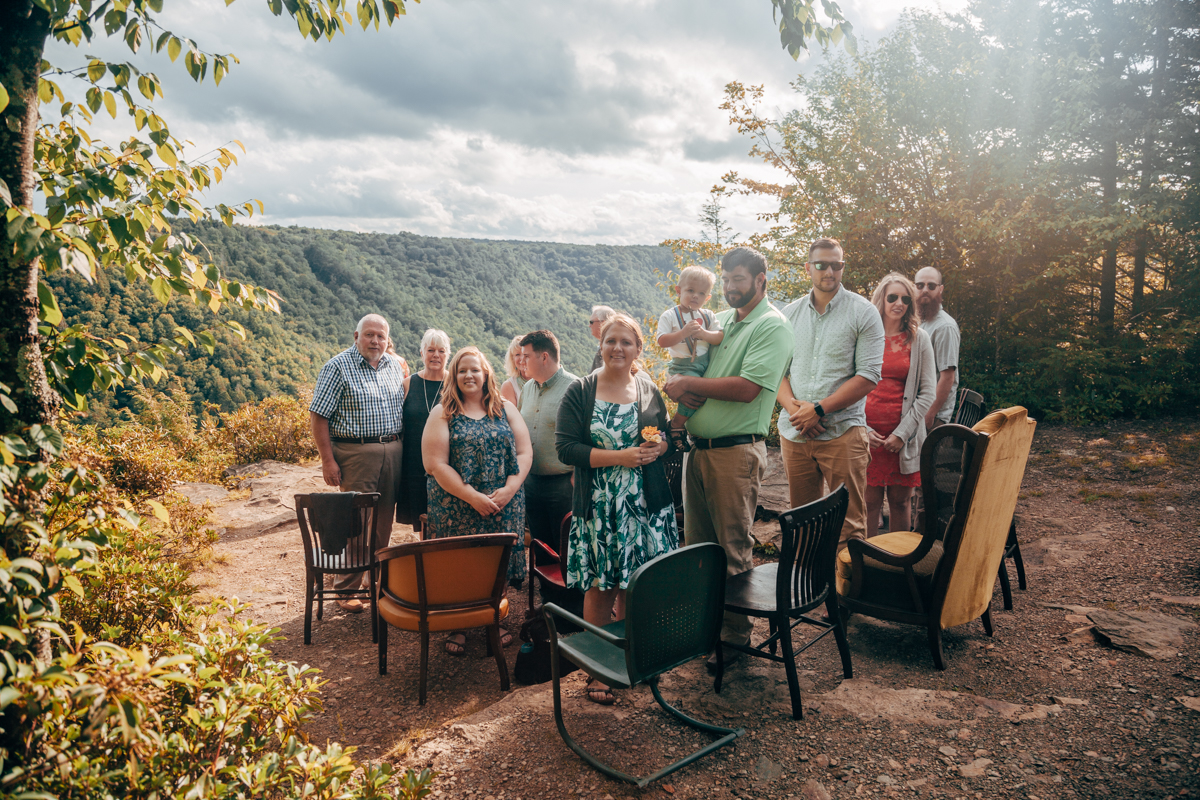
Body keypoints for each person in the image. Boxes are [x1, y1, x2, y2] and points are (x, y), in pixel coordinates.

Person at [663, 247, 792, 672]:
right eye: (728, 278)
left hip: (735, 453)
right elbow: (699, 368)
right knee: (698, 548)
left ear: (761, 279)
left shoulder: (770, 326)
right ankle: (705, 630)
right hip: (700, 452)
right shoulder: (725, 321)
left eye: (740, 278)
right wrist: (683, 388)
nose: (732, 286)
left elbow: (748, 388)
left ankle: (734, 640)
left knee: (733, 549)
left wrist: (685, 383)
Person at [556, 313, 675, 704]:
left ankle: (632, 659)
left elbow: (664, 435)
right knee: (600, 586)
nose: (618, 348)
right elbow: (566, 449)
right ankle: (599, 670)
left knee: (635, 584)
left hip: (646, 505)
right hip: (601, 504)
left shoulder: (647, 388)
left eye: (626, 342)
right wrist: (618, 457)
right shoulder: (580, 391)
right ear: (600, 345)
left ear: (639, 349)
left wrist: (661, 446)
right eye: (611, 341)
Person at [423, 346, 532, 655]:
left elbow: (525, 453)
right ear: (454, 377)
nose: (468, 375)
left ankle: (493, 619)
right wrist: (471, 497)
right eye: (461, 370)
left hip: (503, 501)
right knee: (460, 563)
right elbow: (435, 464)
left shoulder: (506, 408)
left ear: (486, 374)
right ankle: (457, 624)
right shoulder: (443, 411)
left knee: (496, 561)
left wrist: (510, 489)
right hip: (456, 504)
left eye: (474, 369)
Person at [777, 238, 884, 550]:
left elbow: (868, 376)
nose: (829, 271)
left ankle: (848, 596)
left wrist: (819, 410)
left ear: (842, 268)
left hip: (842, 433)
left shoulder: (863, 312)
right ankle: (806, 592)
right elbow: (776, 371)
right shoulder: (790, 314)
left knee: (848, 527)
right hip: (796, 435)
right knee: (802, 521)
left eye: (836, 265)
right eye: (822, 264)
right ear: (808, 268)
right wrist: (798, 412)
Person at [309, 313, 406, 613]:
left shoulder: (394, 366)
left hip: (393, 449)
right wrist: (328, 460)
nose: (375, 341)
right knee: (357, 522)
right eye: (369, 335)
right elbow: (318, 416)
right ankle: (345, 588)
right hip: (355, 452)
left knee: (383, 520)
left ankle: (375, 580)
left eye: (381, 336)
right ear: (356, 336)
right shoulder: (337, 367)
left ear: (388, 340)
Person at [864, 273, 936, 538]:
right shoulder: (864, 336)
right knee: (869, 504)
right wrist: (863, 428)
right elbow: (849, 385)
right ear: (881, 298)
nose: (899, 303)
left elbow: (927, 393)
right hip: (869, 437)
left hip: (903, 439)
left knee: (900, 502)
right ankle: (868, 564)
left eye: (906, 298)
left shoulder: (919, 339)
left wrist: (902, 434)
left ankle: (896, 568)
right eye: (892, 297)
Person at [519, 330, 580, 561]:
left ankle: (570, 598)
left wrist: (577, 475)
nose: (521, 361)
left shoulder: (575, 387)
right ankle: (547, 597)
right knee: (540, 547)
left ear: (544, 357)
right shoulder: (527, 388)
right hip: (532, 482)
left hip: (564, 484)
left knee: (567, 550)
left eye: (526, 356)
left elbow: (586, 435)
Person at [655, 265, 724, 451]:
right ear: (678, 291)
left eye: (701, 293)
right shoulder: (670, 315)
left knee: (704, 393)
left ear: (707, 298)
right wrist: (684, 332)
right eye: (690, 290)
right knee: (695, 395)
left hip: (705, 364)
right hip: (683, 365)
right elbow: (662, 340)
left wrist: (703, 334)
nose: (695, 296)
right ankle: (677, 424)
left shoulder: (708, 315)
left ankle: (685, 425)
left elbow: (719, 336)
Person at [397, 328, 451, 533]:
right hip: (414, 463)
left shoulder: (455, 385)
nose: (436, 355)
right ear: (422, 353)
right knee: (422, 522)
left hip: (447, 462)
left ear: (447, 355)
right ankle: (427, 562)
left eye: (441, 351)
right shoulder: (408, 384)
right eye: (430, 350)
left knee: (446, 519)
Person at [915, 266, 961, 428]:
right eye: (920, 285)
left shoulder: (945, 327)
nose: (925, 290)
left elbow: (948, 377)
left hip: (933, 415)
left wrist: (930, 412)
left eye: (931, 286)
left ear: (940, 289)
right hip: (918, 409)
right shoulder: (920, 322)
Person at [499, 335, 528, 406]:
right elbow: (511, 415)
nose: (522, 358)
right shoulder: (509, 386)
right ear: (512, 359)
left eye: (525, 354)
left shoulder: (543, 380)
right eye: (517, 354)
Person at [588, 305, 616, 372]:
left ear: (603, 323)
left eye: (591, 322)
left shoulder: (610, 349)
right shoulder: (604, 346)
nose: (589, 326)